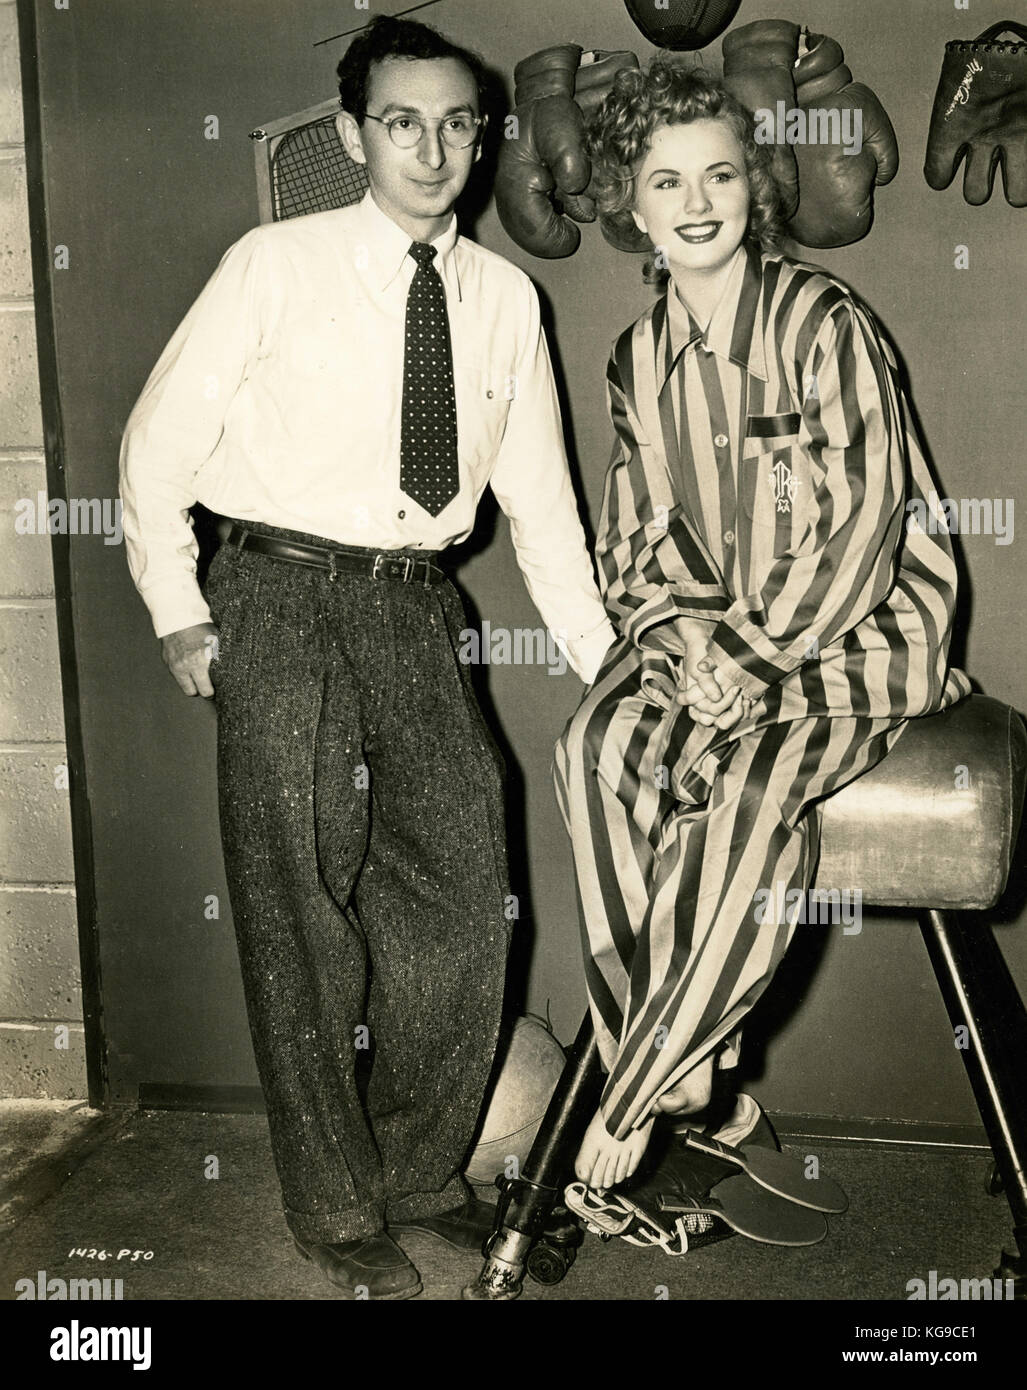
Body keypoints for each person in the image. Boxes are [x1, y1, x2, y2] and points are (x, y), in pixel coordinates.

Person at [119, 14, 614, 1300]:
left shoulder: (507, 300)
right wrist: (179, 605)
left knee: (461, 894)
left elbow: (548, 511)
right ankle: (336, 1210)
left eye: (458, 123)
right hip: (275, 597)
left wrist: (607, 662)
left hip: (414, 609)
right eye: (403, 123)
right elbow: (155, 447)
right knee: (299, 916)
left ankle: (420, 1177)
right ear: (353, 137)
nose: (434, 148)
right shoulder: (272, 264)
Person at [553, 61, 972, 1197]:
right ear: (630, 207)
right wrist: (686, 651)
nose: (696, 201)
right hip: (713, 655)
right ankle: (694, 1063)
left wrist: (738, 663)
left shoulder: (826, 321)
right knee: (590, 746)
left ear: (755, 188)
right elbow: (634, 543)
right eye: (667, 179)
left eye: (721, 173)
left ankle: (639, 1081)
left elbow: (857, 528)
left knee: (744, 791)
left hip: (858, 643)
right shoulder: (633, 361)